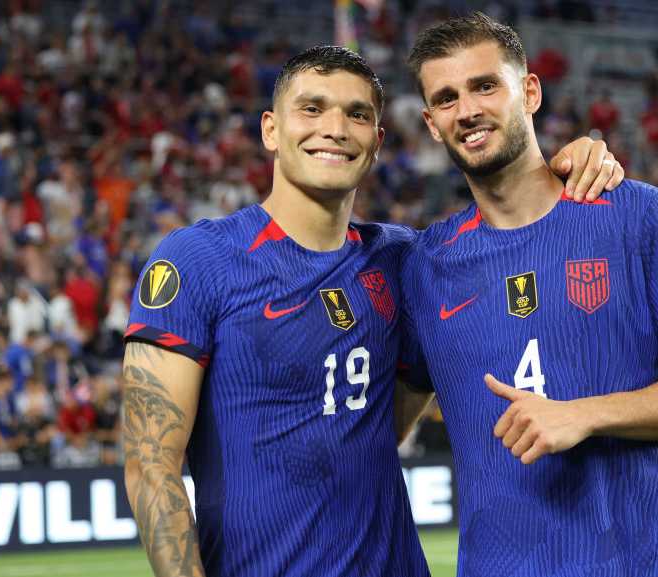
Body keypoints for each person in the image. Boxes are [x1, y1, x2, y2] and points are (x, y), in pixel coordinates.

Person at [122, 46, 624, 577]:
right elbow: (151, 463)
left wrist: (572, 164)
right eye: (312, 109)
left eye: (357, 114)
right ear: (271, 129)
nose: (335, 129)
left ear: (377, 142)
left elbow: (509, 232)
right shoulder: (199, 260)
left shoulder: (405, 260)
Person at [400, 13, 658, 576]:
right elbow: (379, 426)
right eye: (446, 98)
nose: (467, 110)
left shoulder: (633, 214)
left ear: (530, 92)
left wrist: (583, 415)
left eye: (485, 86)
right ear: (431, 124)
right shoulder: (423, 265)